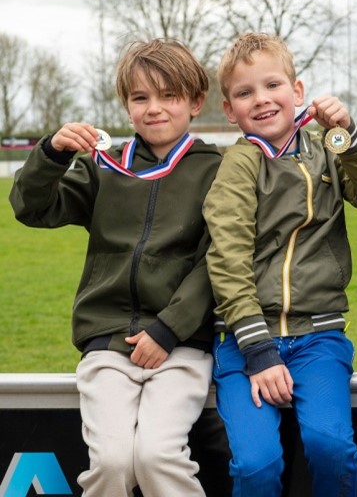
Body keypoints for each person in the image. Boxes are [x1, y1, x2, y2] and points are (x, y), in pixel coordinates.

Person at [9, 39, 222, 496]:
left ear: (195, 102)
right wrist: (52, 154)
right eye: (141, 97)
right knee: (109, 464)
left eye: (169, 96)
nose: (154, 109)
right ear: (126, 106)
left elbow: (217, 260)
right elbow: (31, 208)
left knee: (157, 457)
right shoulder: (103, 167)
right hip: (107, 344)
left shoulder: (217, 170)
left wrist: (170, 328)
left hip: (180, 346)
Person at [203, 32, 357, 497]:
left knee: (331, 447)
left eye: (272, 86)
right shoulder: (240, 164)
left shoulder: (328, 148)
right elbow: (227, 256)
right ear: (230, 110)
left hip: (319, 338)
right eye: (245, 92)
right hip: (246, 344)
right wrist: (259, 351)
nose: (262, 100)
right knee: (255, 465)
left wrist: (349, 136)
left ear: (298, 91)